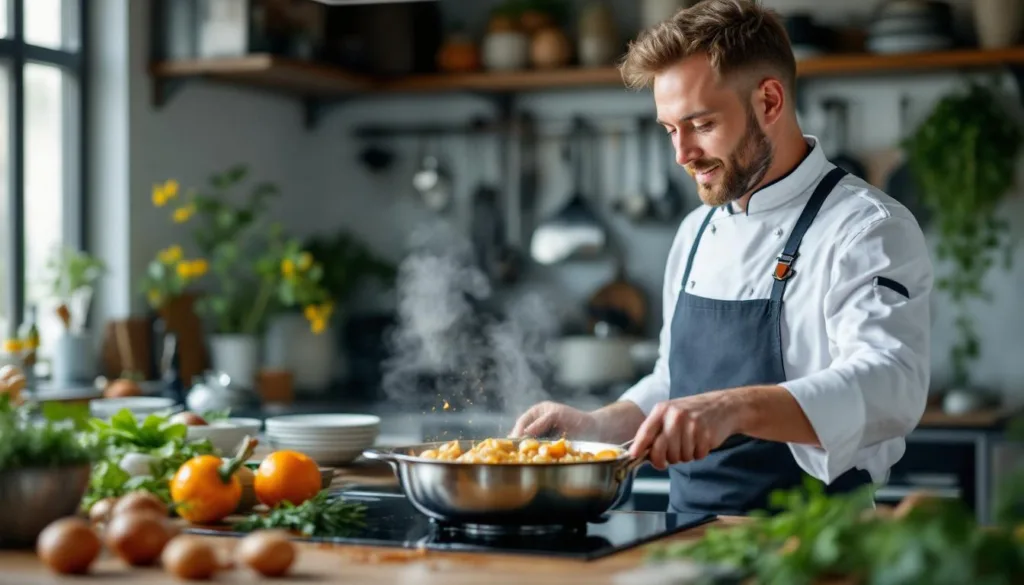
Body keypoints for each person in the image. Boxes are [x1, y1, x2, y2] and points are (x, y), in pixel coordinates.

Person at [511, 0, 933, 516]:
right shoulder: (696, 230)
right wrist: (595, 425)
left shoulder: (865, 228)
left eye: (701, 124)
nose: (681, 154)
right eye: (670, 129)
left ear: (770, 102)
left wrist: (732, 408)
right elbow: (674, 383)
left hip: (810, 546)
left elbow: (889, 383)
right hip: (682, 542)